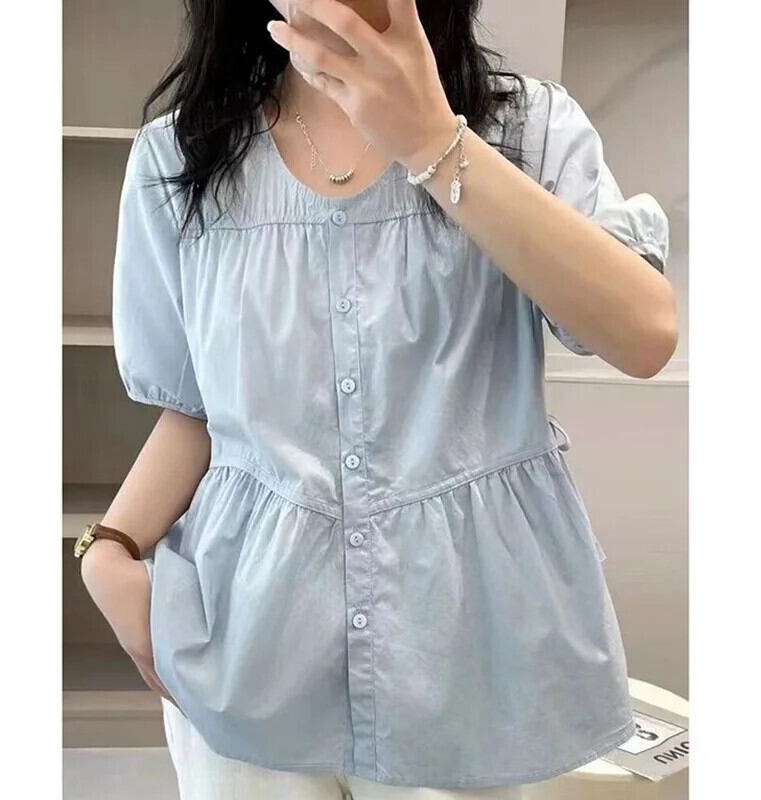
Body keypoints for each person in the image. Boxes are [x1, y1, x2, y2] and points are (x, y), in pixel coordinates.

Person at [79, 1, 678, 798]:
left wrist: (432, 140)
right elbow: (201, 410)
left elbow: (642, 335)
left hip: (461, 664)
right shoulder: (183, 156)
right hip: (246, 647)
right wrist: (109, 549)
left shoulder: (527, 133)